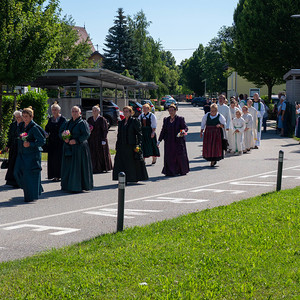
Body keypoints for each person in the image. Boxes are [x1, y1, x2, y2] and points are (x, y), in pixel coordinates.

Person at [14, 107, 46, 202]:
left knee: (28, 176)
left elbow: (42, 141)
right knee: (17, 172)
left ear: (31, 117)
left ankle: (30, 195)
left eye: (26, 116)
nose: (25, 118)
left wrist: (30, 144)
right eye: (23, 116)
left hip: (32, 155)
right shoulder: (22, 126)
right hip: (22, 154)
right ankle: (33, 189)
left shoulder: (34, 128)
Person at [60, 106, 93, 192]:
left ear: (80, 113)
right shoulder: (67, 123)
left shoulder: (83, 123)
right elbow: (61, 132)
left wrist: (76, 140)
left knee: (77, 168)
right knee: (68, 167)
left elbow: (86, 134)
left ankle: (78, 186)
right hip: (69, 148)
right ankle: (68, 185)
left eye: (76, 111)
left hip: (79, 148)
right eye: (73, 111)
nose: (74, 113)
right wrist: (64, 138)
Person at [113, 106, 148, 183]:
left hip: (131, 145)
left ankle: (132, 178)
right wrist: (117, 145)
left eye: (127, 111)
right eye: (124, 111)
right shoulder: (121, 123)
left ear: (131, 112)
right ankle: (123, 178)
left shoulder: (135, 121)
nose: (125, 113)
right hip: (122, 145)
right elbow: (119, 135)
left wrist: (138, 145)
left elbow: (139, 134)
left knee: (131, 163)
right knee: (121, 162)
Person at [158, 104, 189, 176]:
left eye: (172, 110)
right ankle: (170, 171)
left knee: (179, 156)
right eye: (169, 110)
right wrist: (159, 141)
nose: (171, 112)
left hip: (178, 141)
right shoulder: (166, 120)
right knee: (169, 156)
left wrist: (183, 131)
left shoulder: (180, 119)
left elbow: (185, 128)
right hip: (169, 141)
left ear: (175, 111)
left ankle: (181, 170)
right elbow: (163, 131)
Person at [45, 102, 67, 181]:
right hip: (51, 141)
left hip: (60, 142)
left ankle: (59, 175)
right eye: (52, 110)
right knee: (52, 158)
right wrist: (46, 134)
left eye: (55, 110)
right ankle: (53, 175)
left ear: (59, 110)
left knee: (59, 159)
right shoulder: (50, 119)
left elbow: (65, 130)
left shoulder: (63, 119)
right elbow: (47, 129)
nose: (54, 111)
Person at [87, 105, 112, 173]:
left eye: (96, 110)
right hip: (92, 139)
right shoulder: (90, 119)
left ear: (99, 111)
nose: (94, 112)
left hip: (100, 138)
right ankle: (94, 167)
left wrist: (104, 139)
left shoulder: (102, 119)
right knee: (93, 153)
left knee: (101, 153)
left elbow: (105, 130)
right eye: (93, 111)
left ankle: (102, 167)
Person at [5, 111, 23, 187]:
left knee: (18, 164)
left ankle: (18, 181)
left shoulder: (23, 125)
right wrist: (7, 146)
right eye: (16, 117)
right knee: (12, 163)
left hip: (20, 147)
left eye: (19, 117)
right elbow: (10, 136)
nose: (18, 119)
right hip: (13, 146)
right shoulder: (13, 125)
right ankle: (11, 180)